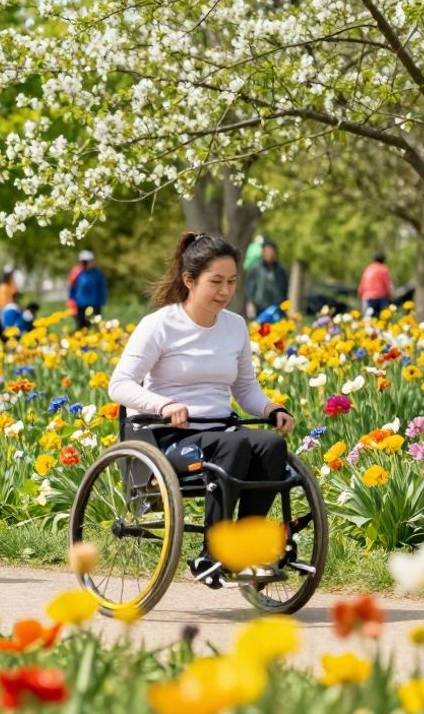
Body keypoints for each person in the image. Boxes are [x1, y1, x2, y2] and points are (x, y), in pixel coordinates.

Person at [108, 232, 295, 588]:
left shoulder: (235, 326)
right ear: (189, 280)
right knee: (235, 446)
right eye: (216, 282)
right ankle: (212, 553)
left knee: (270, 445)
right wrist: (163, 404)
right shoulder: (160, 325)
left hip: (217, 430)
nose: (225, 291)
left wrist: (272, 408)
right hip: (166, 436)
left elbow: (243, 388)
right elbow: (120, 384)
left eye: (232, 282)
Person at [244, 237, 289, 320]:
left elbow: (284, 290)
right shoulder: (255, 268)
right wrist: (250, 304)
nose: (269, 254)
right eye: (267, 251)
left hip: (276, 309)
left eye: (272, 252)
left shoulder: (280, 270)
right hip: (259, 308)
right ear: (263, 252)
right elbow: (249, 288)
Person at [68, 250, 108, 330]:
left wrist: (102, 300)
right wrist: (71, 303)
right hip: (80, 305)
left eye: (87, 261)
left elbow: (102, 288)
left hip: (95, 304)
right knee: (81, 327)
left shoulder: (97, 273)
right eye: (83, 262)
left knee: (95, 325)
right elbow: (72, 289)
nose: (85, 264)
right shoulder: (76, 273)